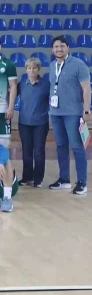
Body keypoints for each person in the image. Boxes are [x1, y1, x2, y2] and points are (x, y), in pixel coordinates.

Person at [48, 36, 91, 195]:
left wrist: (86, 110)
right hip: (55, 112)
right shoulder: (52, 65)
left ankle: (82, 182)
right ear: (52, 49)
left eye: (62, 46)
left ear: (68, 48)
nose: (59, 49)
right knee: (60, 146)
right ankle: (64, 179)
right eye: (56, 47)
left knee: (77, 146)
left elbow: (86, 89)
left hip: (73, 113)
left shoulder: (79, 64)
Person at [17, 57, 50, 188]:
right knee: (26, 151)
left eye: (34, 68)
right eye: (29, 68)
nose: (32, 70)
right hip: (24, 122)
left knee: (39, 151)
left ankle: (38, 179)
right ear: (26, 69)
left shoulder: (46, 84)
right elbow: (11, 94)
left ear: (38, 69)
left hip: (41, 123)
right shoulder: (22, 84)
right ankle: (27, 177)